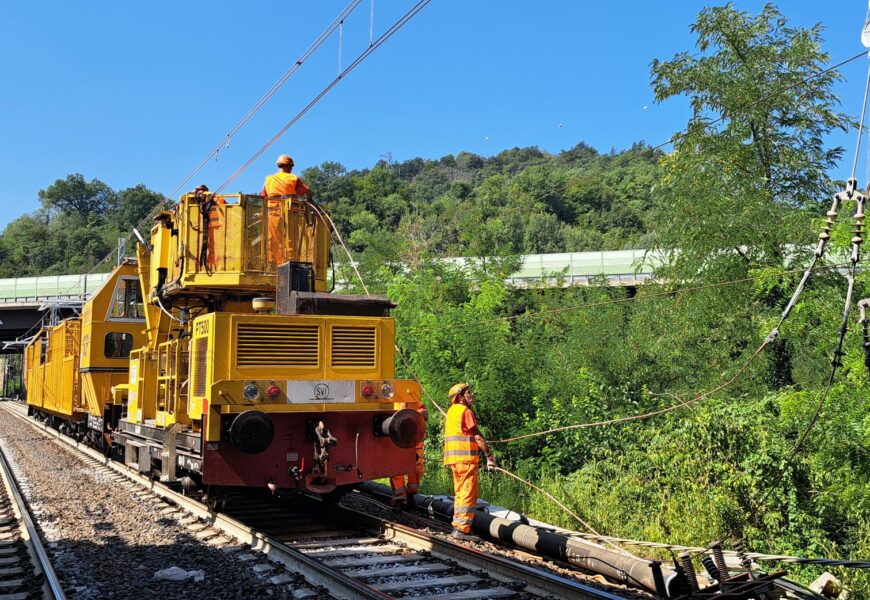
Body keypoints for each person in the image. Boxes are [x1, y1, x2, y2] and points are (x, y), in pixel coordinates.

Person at [443, 383, 496, 542]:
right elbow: (477, 437)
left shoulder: (452, 412)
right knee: (467, 493)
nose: (471, 395)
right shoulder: (465, 411)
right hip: (466, 459)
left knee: (460, 493)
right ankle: (462, 529)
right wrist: (489, 457)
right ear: (459, 397)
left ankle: (458, 524)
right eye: (468, 393)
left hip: (454, 460)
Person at [261, 155, 313, 265]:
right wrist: (309, 201)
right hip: (290, 213)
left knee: (273, 240)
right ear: (289, 167)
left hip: (272, 213)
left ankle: (273, 265)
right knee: (291, 240)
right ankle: (290, 265)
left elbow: (263, 198)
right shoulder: (293, 178)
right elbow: (308, 192)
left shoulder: (269, 179)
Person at [390, 403, 429, 511]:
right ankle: (399, 499)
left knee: (417, 468)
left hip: (414, 438)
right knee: (397, 469)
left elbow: (422, 410)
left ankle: (411, 494)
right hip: (396, 437)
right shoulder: (388, 393)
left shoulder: (411, 394)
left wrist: (421, 414)